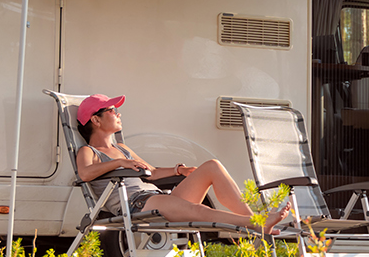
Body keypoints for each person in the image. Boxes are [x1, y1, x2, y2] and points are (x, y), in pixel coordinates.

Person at [74, 93, 291, 235]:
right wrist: (119, 163)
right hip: (137, 204)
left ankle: (255, 220)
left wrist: (179, 170)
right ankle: (254, 225)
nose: (118, 113)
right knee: (197, 210)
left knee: (212, 166)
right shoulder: (89, 152)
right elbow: (84, 174)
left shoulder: (123, 148)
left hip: (157, 198)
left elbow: (152, 172)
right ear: (95, 120)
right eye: (111, 110)